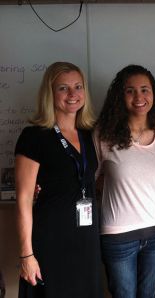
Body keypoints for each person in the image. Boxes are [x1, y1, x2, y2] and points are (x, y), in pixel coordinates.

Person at [15, 62, 103, 298]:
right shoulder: (34, 136)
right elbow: (23, 200)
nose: (73, 94)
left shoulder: (88, 134)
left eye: (78, 86)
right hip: (51, 242)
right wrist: (26, 255)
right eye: (63, 88)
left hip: (86, 242)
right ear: (50, 93)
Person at [94, 64, 155, 298]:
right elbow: (90, 179)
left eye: (144, 90)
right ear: (120, 96)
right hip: (118, 235)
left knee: (148, 295)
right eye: (130, 91)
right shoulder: (104, 133)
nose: (139, 97)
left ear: (153, 94)